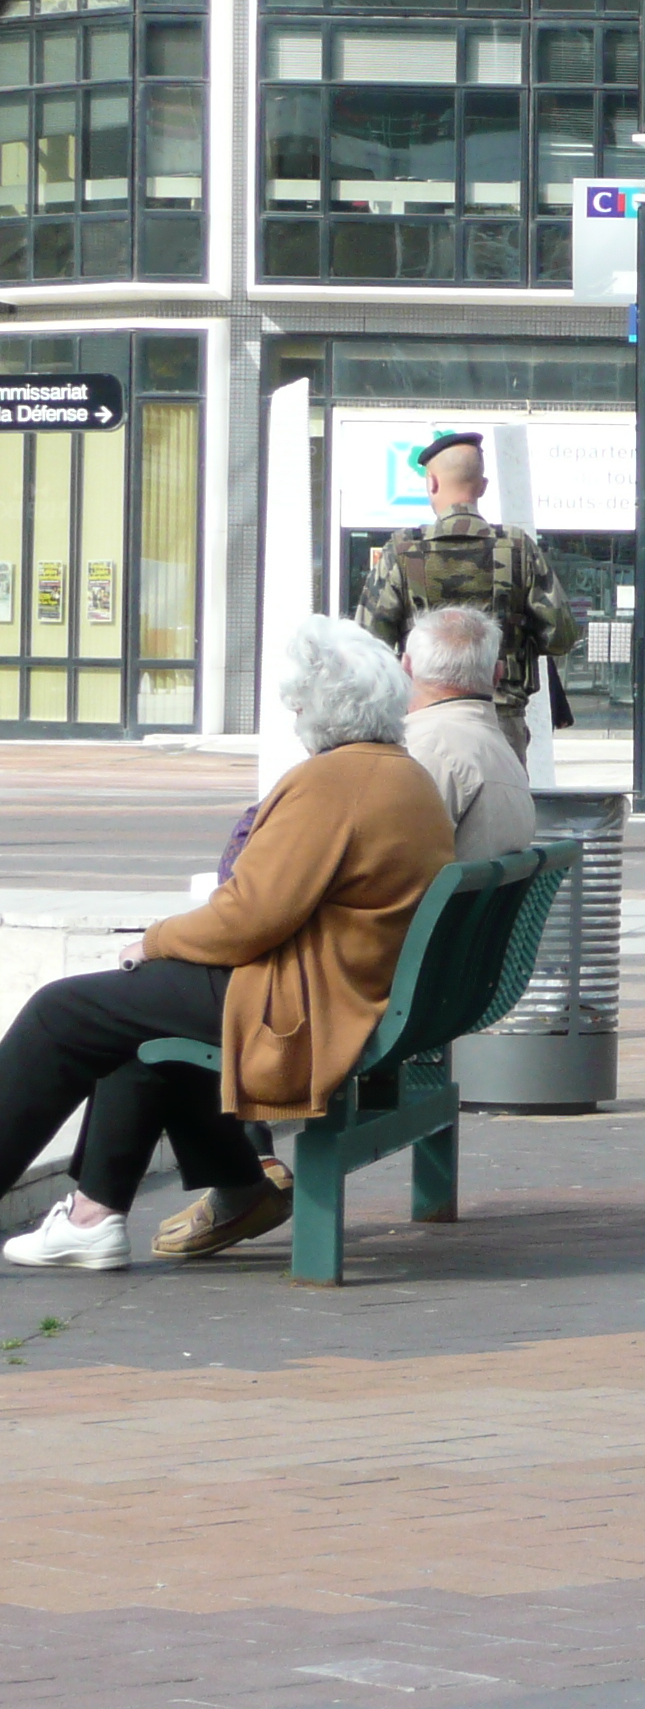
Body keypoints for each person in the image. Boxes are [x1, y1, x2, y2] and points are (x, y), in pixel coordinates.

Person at [0, 618, 453, 1270]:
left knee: (61, 1012)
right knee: (131, 1017)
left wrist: (156, 941)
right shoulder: (403, 777)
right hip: (355, 986)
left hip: (307, 1004)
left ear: (317, 707)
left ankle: (106, 1213)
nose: (293, 712)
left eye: (297, 701)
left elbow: (250, 917)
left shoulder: (333, 783)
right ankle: (98, 1215)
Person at [354, 429, 577, 758]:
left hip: (421, 718)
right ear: (482, 486)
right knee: (501, 803)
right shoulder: (518, 548)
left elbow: (369, 646)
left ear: (431, 482)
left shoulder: (400, 550)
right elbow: (561, 636)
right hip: (499, 718)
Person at [402, 605, 538, 861]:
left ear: (406, 667)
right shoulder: (504, 753)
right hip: (479, 899)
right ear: (498, 675)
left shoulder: (425, 751)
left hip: (436, 900)